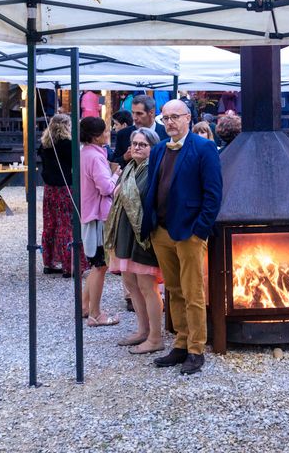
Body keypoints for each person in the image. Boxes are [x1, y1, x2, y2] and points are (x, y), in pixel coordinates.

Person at [141, 99, 222, 375]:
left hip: (189, 232)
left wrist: (200, 230)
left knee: (193, 292)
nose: (171, 122)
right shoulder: (159, 149)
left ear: (189, 118)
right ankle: (180, 342)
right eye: (166, 118)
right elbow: (153, 186)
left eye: (176, 116)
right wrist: (150, 225)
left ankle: (196, 349)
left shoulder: (204, 147)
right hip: (161, 230)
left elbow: (213, 194)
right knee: (173, 290)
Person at [105, 127, 164, 353]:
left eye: (143, 144)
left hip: (142, 235)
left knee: (147, 285)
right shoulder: (130, 167)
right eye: (135, 143)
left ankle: (156, 337)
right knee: (130, 284)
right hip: (125, 233)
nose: (137, 147)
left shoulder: (154, 170)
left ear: (153, 147)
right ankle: (142, 330)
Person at [80, 116, 122, 327]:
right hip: (98, 217)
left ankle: (86, 305)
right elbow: (106, 188)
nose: (109, 133)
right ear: (96, 136)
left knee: (96, 264)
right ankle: (96, 314)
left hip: (89, 214)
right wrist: (116, 176)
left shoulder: (85, 153)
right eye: (105, 131)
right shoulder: (95, 157)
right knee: (100, 265)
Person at [38, 114, 88, 277]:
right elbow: (77, 163)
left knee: (50, 223)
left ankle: (49, 262)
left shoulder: (44, 144)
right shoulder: (68, 144)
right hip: (65, 187)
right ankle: (69, 265)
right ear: (67, 126)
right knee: (67, 224)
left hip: (49, 188)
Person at [111, 95, 168, 166]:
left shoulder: (167, 133)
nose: (134, 118)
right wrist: (124, 157)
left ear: (151, 112)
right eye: (133, 113)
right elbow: (114, 162)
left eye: (139, 113)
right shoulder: (123, 134)